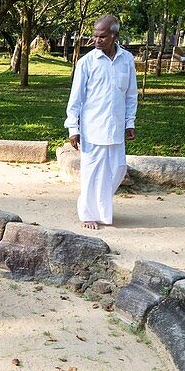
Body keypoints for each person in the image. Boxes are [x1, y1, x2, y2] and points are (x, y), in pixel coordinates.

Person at [64, 15, 137, 230]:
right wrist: (73, 128)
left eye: (102, 36)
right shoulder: (86, 63)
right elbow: (75, 98)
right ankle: (88, 214)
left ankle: (103, 211)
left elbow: (131, 95)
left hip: (115, 127)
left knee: (117, 169)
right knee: (92, 172)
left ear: (114, 36)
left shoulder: (127, 60)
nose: (97, 40)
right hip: (92, 127)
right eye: (95, 36)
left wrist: (129, 122)